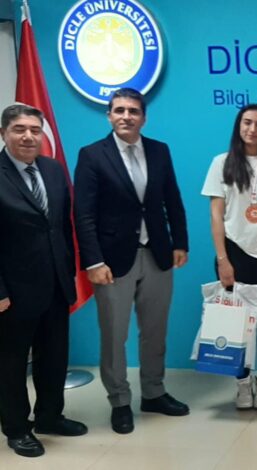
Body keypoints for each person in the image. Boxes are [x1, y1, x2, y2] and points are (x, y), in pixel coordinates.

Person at [74, 88, 189, 435]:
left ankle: (153, 393)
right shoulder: (92, 155)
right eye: (120, 110)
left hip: (157, 253)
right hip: (112, 261)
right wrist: (93, 261)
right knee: (114, 335)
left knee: (155, 331)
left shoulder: (159, 150)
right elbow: (84, 214)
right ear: (109, 115)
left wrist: (180, 242)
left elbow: (172, 199)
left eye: (133, 111)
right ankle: (120, 401)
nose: (126, 116)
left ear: (143, 117)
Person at [0, 104, 88, 458]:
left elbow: (62, 226)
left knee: (53, 357)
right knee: (11, 363)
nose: (28, 136)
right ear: (4, 133)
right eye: (19, 129)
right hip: (13, 291)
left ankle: (50, 417)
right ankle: (17, 428)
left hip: (55, 284)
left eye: (35, 130)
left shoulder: (52, 169)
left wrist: (68, 273)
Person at [201, 104, 257, 409]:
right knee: (236, 321)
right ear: (239, 126)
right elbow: (216, 215)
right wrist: (222, 259)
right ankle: (241, 383)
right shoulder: (221, 163)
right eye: (247, 122)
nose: (252, 129)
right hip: (235, 253)